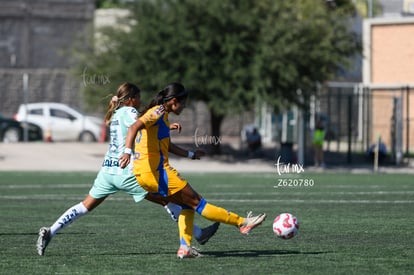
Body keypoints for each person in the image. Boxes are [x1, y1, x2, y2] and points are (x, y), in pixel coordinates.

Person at [36, 82, 219, 256]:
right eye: (138, 97)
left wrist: (166, 126)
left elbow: (140, 126)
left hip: (108, 171)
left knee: (85, 206)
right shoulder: (130, 111)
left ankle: (51, 231)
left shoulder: (115, 113)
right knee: (168, 199)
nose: (140, 101)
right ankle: (196, 236)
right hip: (128, 171)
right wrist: (162, 127)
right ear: (131, 98)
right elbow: (138, 124)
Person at [119, 82, 266, 259]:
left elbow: (166, 145)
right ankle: (242, 222)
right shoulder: (157, 112)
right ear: (173, 101)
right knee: (198, 202)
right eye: (183, 102)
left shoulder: (161, 115)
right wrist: (127, 152)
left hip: (143, 174)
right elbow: (133, 127)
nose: (185, 106)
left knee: (186, 206)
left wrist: (190, 154)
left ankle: (185, 247)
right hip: (157, 172)